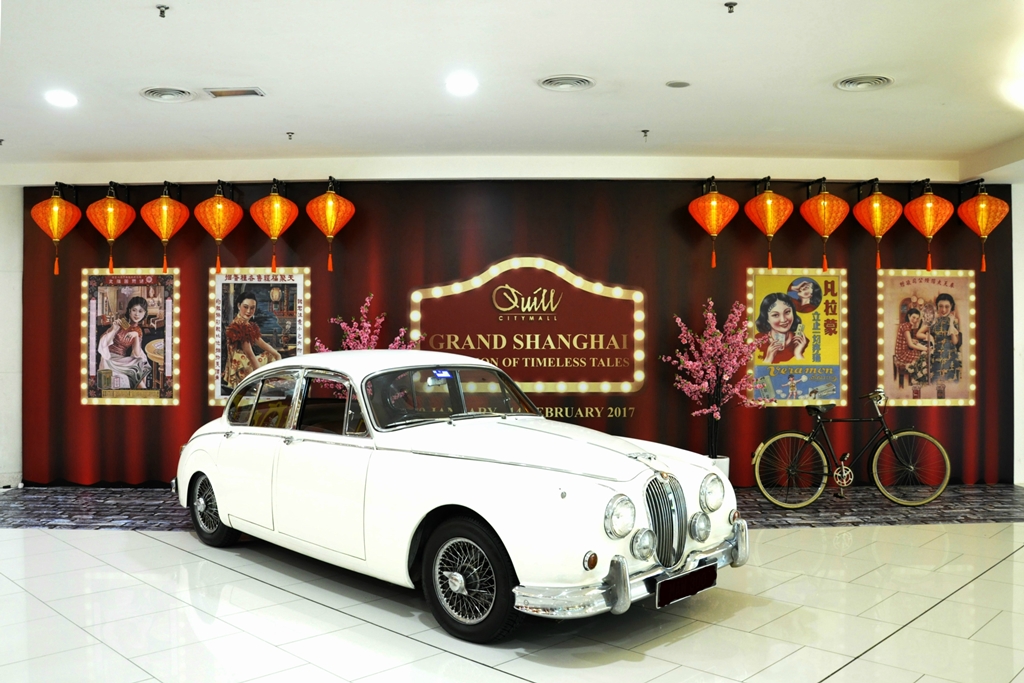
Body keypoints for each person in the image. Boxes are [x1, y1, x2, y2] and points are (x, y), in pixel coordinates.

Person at [223, 291, 282, 388]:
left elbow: (260, 342)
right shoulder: (239, 325)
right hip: (241, 366)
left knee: (271, 354)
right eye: (245, 307)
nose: (248, 311)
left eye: (252, 308)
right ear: (239, 306)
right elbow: (250, 355)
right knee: (270, 359)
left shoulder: (247, 324)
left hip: (244, 361)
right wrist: (261, 378)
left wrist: (277, 354)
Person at [97, 296, 152, 390]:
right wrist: (113, 330)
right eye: (134, 310)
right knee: (136, 375)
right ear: (129, 310)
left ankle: (144, 392)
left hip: (122, 359)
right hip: (109, 358)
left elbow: (137, 353)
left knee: (140, 364)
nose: (137, 314)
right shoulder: (121, 322)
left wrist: (135, 336)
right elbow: (103, 342)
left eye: (140, 311)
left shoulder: (138, 331)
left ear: (145, 313)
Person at [755, 293, 808, 364]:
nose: (783, 320)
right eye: (775, 315)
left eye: (787, 312)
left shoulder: (802, 342)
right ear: (766, 318)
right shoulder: (757, 341)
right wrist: (768, 359)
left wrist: (798, 354)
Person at [929, 293, 962, 383]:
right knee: (935, 382)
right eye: (941, 306)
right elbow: (921, 333)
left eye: (947, 307)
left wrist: (951, 323)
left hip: (950, 357)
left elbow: (955, 342)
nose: (943, 310)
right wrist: (930, 337)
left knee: (950, 384)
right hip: (937, 356)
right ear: (937, 306)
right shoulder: (933, 321)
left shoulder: (954, 321)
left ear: (951, 307)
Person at [894, 308, 930, 373]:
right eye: (913, 317)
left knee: (920, 353)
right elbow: (910, 345)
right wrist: (925, 349)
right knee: (922, 357)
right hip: (902, 354)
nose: (915, 320)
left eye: (917, 318)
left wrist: (912, 340)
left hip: (902, 351)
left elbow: (904, 338)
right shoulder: (906, 327)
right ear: (909, 316)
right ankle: (919, 376)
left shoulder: (906, 325)